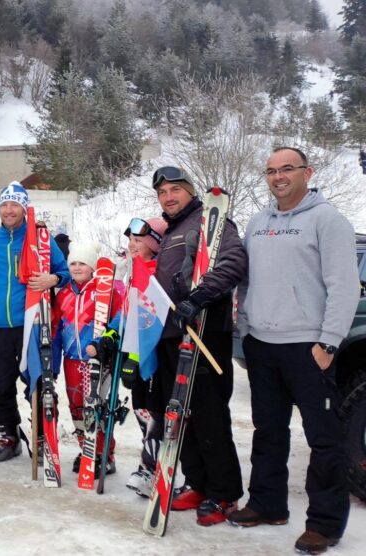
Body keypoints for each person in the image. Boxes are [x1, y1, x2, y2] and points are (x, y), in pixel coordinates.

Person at [230, 147, 359, 554]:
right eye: (271, 171)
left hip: (308, 347)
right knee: (268, 431)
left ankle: (324, 524)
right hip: (262, 346)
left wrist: (329, 342)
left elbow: (344, 286)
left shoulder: (328, 220)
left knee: (324, 439)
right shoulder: (257, 223)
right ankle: (268, 504)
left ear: (307, 172)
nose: (278, 177)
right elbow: (247, 282)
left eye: (287, 169)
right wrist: (247, 329)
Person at [149, 166, 247, 526]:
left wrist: (199, 297)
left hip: (204, 333)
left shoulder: (212, 223)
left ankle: (224, 493)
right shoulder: (173, 231)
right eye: (162, 193)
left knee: (208, 415)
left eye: (175, 189)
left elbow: (233, 263)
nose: (169, 197)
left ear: (190, 191)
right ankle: (198, 483)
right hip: (173, 337)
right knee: (181, 416)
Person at [0, 182, 68, 464]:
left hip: (32, 323)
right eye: (4, 205)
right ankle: (9, 435)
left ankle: (41, 434)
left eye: (14, 205)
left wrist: (52, 279)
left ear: (24, 208)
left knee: (38, 383)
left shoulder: (41, 239)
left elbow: (63, 272)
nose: (8, 210)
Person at [86, 216, 168, 497]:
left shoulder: (158, 273)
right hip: (133, 351)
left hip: (152, 354)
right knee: (141, 410)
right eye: (131, 241)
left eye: (139, 241)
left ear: (155, 245)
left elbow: (149, 317)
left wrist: (136, 352)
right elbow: (128, 312)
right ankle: (152, 465)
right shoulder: (135, 271)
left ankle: (150, 469)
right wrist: (111, 333)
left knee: (154, 413)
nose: (132, 245)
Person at [50, 241, 125, 476]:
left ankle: (105, 453)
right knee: (77, 407)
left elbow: (118, 320)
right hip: (72, 358)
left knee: (98, 407)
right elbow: (56, 328)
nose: (76, 267)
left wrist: (106, 345)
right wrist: (52, 363)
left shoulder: (105, 291)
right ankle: (87, 448)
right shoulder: (63, 294)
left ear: (93, 267)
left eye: (82, 263)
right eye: (72, 263)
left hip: (98, 361)